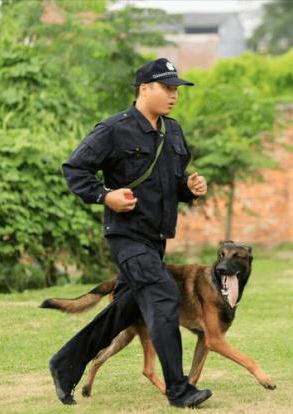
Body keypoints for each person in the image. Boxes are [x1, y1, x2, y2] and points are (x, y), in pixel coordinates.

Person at [49, 58, 211, 408]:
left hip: (156, 241)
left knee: (124, 310)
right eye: (166, 88)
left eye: (175, 89)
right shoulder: (113, 129)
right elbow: (75, 169)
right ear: (144, 89)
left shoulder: (174, 131)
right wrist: (104, 195)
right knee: (166, 296)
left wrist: (191, 188)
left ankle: (64, 365)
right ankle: (179, 390)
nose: (173, 95)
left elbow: (174, 183)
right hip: (126, 237)